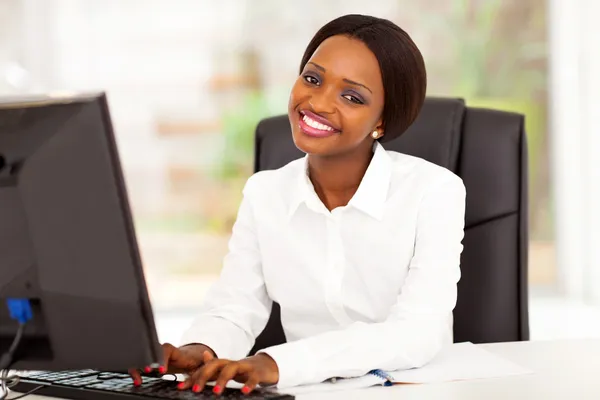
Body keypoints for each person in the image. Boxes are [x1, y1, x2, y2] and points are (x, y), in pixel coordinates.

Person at [131, 14, 466, 395]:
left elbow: (417, 332)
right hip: (307, 391)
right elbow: (235, 309)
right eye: (312, 78)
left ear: (383, 121)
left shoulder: (434, 191)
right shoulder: (265, 193)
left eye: (352, 96)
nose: (318, 102)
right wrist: (202, 350)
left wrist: (278, 363)